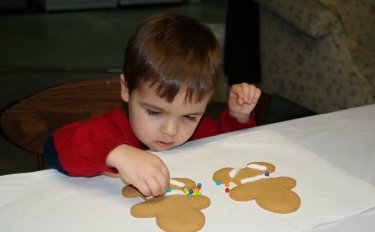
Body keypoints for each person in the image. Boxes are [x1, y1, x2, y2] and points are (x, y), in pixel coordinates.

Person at [44, 13, 261, 197]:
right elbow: (54, 149)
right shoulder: (111, 130)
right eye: (154, 112)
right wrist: (117, 153)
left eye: (189, 117)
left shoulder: (200, 131)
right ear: (127, 89)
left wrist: (238, 117)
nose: (171, 130)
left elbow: (231, 151)